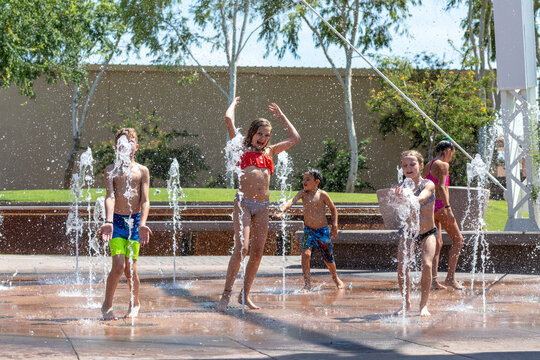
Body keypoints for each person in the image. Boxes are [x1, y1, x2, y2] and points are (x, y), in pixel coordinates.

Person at [216, 97, 300, 312]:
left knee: (258, 251)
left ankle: (245, 295)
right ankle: (226, 295)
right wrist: (233, 106)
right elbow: (227, 119)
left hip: (263, 206)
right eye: (260, 134)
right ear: (252, 133)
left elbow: (295, 137)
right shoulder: (241, 149)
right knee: (242, 248)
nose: (263, 138)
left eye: (267, 135)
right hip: (243, 203)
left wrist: (282, 117)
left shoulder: (270, 152)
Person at [99, 128, 152, 320]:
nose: (126, 147)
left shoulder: (142, 171)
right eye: (122, 144)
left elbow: (145, 200)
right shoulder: (110, 171)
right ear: (116, 147)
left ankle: (134, 303)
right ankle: (107, 305)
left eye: (130, 144)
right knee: (119, 265)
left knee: (131, 269)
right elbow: (110, 196)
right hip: (117, 224)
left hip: (135, 222)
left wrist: (143, 224)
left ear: (136, 147)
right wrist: (108, 221)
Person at [278, 169, 344, 291]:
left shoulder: (322, 194)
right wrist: (283, 210)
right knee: (306, 255)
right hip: (309, 230)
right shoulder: (303, 194)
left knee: (328, 259)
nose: (304, 182)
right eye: (303, 179)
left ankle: (335, 278)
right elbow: (291, 201)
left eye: (308, 179)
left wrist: (334, 226)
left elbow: (333, 209)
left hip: (322, 231)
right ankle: (307, 283)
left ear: (316, 182)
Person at [394, 150, 437, 317]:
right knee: (401, 267)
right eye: (405, 165)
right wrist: (396, 198)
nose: (408, 168)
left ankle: (423, 305)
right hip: (409, 233)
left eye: (412, 164)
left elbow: (421, 199)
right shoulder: (400, 187)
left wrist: (407, 196)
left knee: (427, 265)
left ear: (420, 166)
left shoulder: (428, 185)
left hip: (428, 232)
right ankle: (406, 303)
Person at [422, 140, 464, 290]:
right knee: (458, 240)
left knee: (437, 244)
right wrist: (448, 207)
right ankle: (450, 278)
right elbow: (441, 187)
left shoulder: (428, 165)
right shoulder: (443, 165)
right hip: (440, 206)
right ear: (447, 151)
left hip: (429, 207)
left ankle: (433, 281)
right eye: (452, 153)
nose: (451, 157)